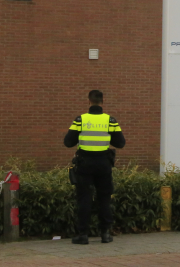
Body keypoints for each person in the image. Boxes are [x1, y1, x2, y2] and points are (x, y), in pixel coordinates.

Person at [64, 89, 125, 245]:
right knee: (104, 198)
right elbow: (120, 143)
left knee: (84, 199)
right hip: (103, 164)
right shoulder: (110, 121)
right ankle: (105, 234)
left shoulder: (80, 120)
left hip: (84, 164)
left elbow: (68, 142)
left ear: (88, 101)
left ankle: (83, 235)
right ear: (102, 102)